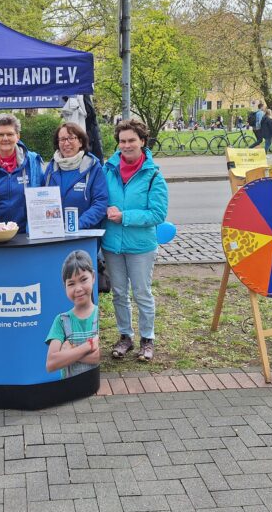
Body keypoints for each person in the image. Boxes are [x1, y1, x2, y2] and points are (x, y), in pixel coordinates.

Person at [102, 119, 169, 362]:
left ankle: (147, 340)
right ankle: (125, 337)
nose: (127, 145)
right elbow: (99, 198)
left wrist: (125, 217)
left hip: (141, 246)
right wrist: (104, 208)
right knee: (119, 293)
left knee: (141, 293)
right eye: (122, 141)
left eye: (131, 140)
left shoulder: (153, 175)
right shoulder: (107, 170)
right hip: (112, 245)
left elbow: (158, 214)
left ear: (142, 141)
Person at [45, 250, 100, 378]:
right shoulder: (61, 320)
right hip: (70, 391)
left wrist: (69, 353)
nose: (78, 288)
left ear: (93, 277)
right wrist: (89, 346)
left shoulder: (100, 314)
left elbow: (100, 356)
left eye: (83, 279)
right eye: (71, 283)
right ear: (65, 287)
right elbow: (51, 363)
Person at [44, 122, 108, 230]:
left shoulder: (93, 167)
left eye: (71, 138)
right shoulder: (51, 168)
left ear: (81, 142)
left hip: (84, 236)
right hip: (55, 234)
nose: (66, 143)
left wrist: (76, 225)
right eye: (62, 139)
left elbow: (100, 203)